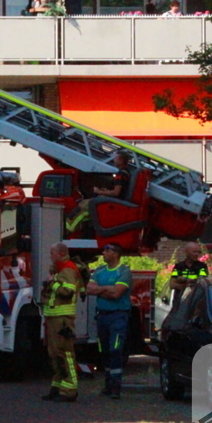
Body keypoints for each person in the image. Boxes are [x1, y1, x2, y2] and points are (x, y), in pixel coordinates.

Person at [87, 243, 132, 399]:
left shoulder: (124, 271)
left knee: (115, 349)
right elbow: (89, 289)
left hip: (118, 316)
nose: (103, 252)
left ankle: (115, 386)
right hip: (102, 316)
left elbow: (117, 293)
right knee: (104, 350)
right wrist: (107, 289)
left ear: (116, 254)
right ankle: (107, 384)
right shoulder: (99, 270)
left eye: (107, 250)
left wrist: (100, 290)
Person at [41, 242, 82, 403]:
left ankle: (69, 391)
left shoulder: (68, 270)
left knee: (65, 354)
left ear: (60, 253)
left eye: (52, 253)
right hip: (54, 318)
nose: (50, 256)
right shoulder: (59, 270)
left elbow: (67, 292)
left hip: (62, 320)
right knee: (55, 354)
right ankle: (57, 388)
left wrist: (52, 282)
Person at [65, 150, 132, 233]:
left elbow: (116, 193)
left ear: (121, 161)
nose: (113, 160)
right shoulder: (127, 173)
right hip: (117, 201)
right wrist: (106, 191)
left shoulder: (121, 174)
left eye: (115, 159)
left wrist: (99, 192)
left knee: (84, 206)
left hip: (115, 202)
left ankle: (68, 230)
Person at [168, 241, 208, 305]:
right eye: (194, 252)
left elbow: (201, 282)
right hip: (179, 303)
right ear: (186, 252)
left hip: (195, 303)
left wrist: (183, 279)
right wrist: (185, 286)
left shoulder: (202, 267)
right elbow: (172, 284)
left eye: (198, 252)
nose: (196, 254)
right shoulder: (179, 266)